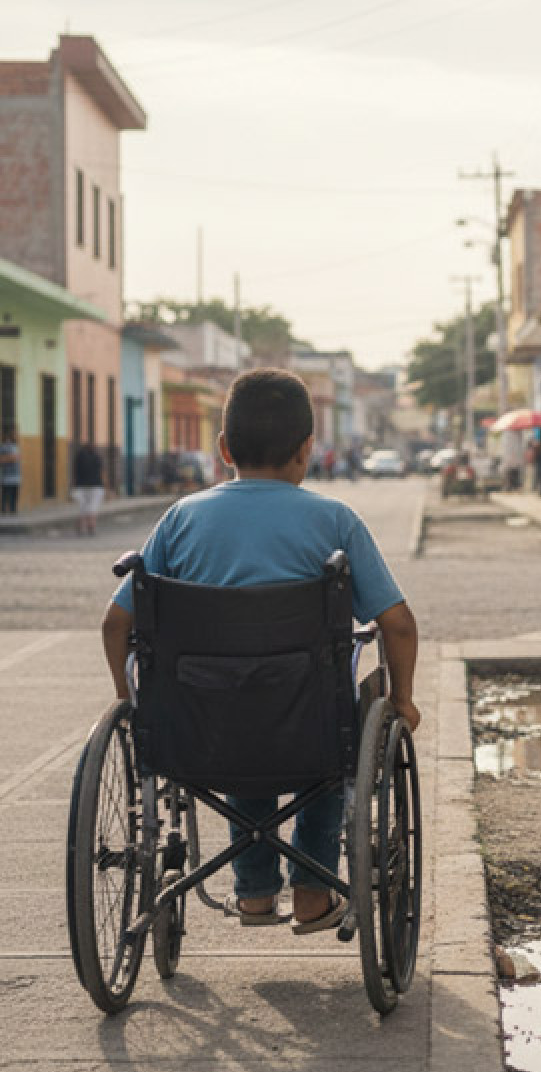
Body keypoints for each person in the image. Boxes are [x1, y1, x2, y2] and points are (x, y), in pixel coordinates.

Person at [100, 368, 421, 933]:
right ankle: (313, 892)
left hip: (201, 726)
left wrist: (128, 700)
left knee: (238, 724)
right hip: (309, 724)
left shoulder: (180, 519)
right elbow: (397, 624)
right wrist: (405, 699)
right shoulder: (335, 520)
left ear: (224, 448)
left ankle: (253, 894)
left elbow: (115, 622)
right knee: (329, 745)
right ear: (307, 451)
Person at [72, 441, 105, 536]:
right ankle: (91, 526)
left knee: (81, 508)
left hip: (80, 486)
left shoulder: (79, 457)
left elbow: (75, 473)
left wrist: (74, 486)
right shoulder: (97, 457)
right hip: (96, 486)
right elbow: (102, 473)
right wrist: (108, 488)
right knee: (93, 508)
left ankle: (81, 527)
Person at [0, 425, 20, 514]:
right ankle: (4, 510)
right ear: (11, 434)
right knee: (6, 494)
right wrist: (12, 458)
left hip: (16, 477)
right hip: (7, 477)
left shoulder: (16, 445)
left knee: (14, 496)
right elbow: (1, 459)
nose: (17, 434)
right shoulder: (4, 446)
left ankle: (13, 510)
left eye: (17, 433)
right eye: (15, 433)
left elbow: (18, 458)